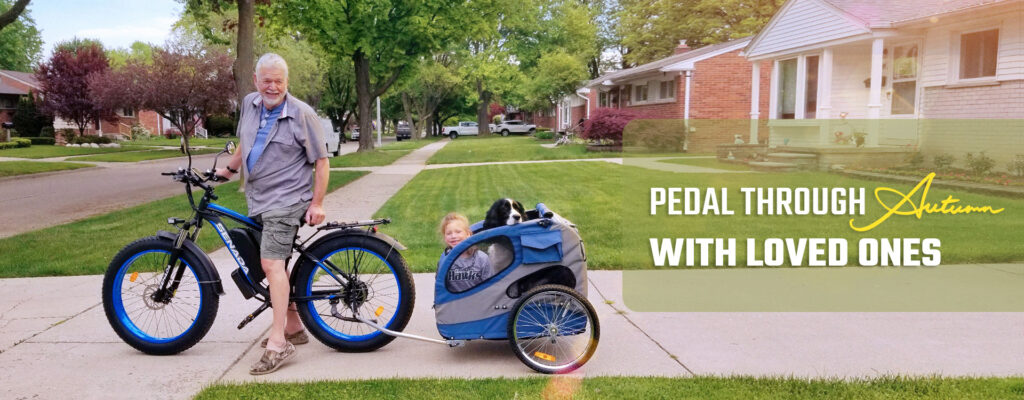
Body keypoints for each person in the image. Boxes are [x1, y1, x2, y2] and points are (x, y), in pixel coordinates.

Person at [216, 53, 329, 375]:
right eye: (267, 80)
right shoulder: (250, 104)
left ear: (287, 82)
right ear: (256, 81)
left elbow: (321, 161)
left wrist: (317, 203)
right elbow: (245, 143)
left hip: (288, 200)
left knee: (271, 264)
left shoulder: (301, 114)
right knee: (277, 264)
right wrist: (226, 171)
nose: (272, 86)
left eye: (279, 81)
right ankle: (294, 325)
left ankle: (278, 343)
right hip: (259, 200)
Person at [439, 213, 491, 292]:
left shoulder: (482, 258)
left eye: (458, 232)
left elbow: (489, 286)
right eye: (449, 233)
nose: (453, 236)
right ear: (445, 237)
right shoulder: (445, 260)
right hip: (454, 303)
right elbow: (440, 289)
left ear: (468, 234)